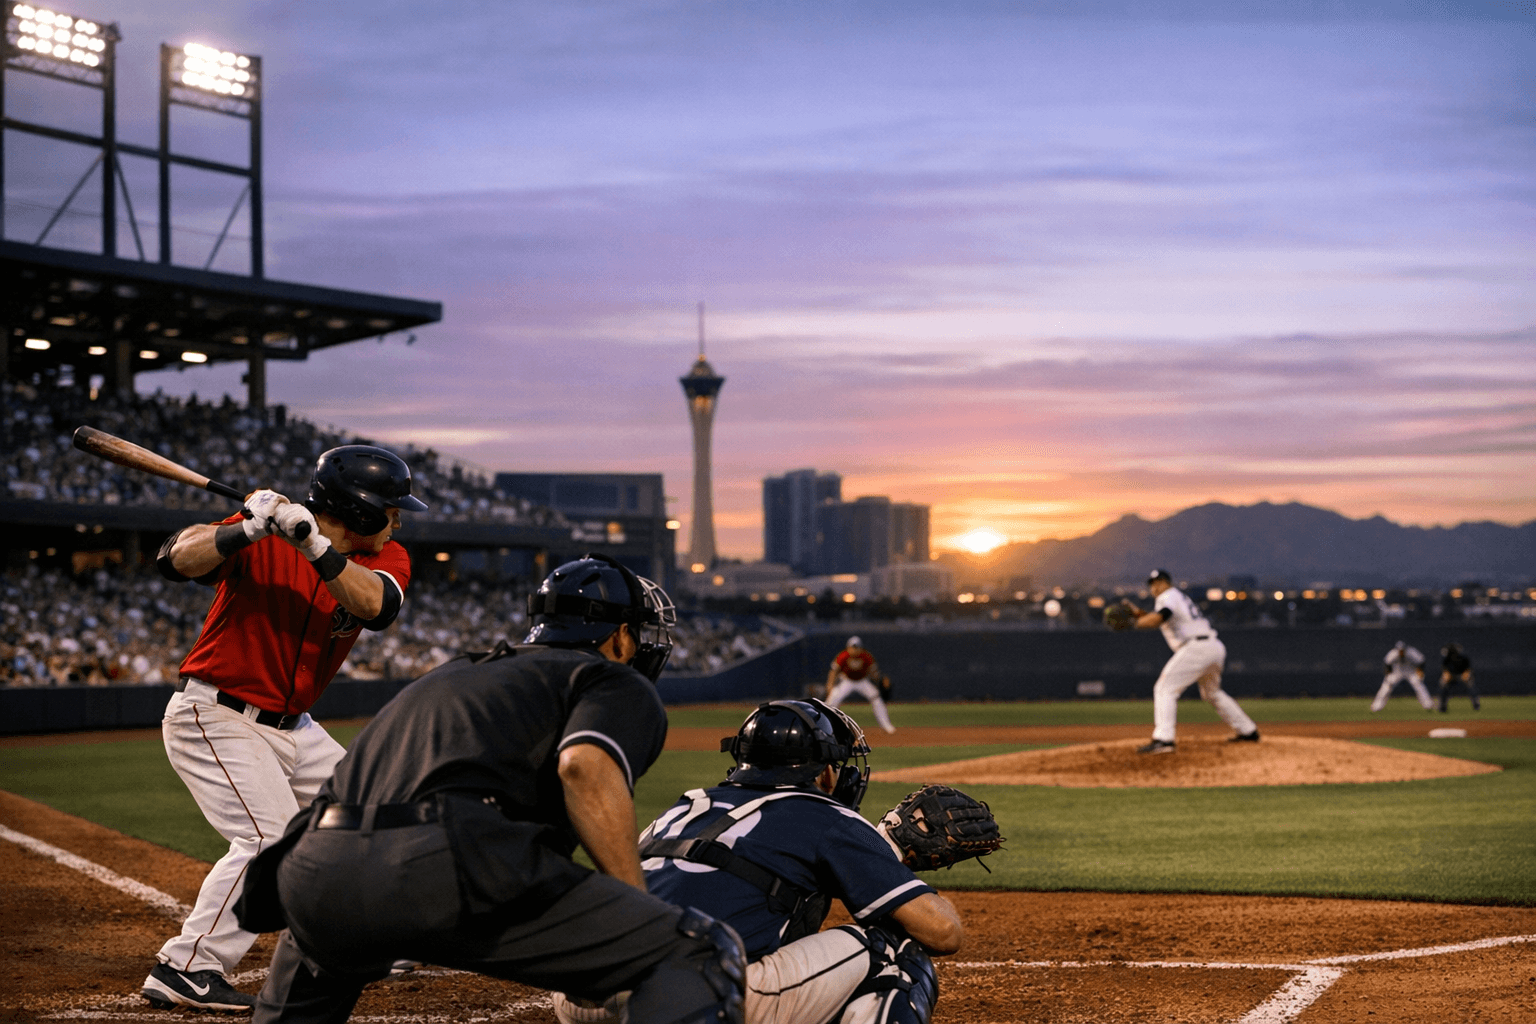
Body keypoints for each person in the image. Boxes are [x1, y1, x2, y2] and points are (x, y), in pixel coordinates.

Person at [236, 554, 746, 1024]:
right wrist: (634, 925)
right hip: (447, 865)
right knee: (697, 949)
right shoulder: (610, 677)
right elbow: (584, 769)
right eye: (638, 633)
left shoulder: (452, 673)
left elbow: (341, 787)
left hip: (316, 868)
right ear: (617, 637)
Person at [143, 445, 426, 1012]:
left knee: (374, 813)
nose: (398, 519)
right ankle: (186, 966)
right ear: (362, 511)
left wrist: (314, 545)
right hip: (218, 715)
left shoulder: (387, 557)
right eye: (391, 510)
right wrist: (245, 531)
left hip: (296, 728)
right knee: (267, 841)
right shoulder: (262, 532)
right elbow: (173, 559)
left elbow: (376, 606)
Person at [552, 698, 962, 1024]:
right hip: (695, 999)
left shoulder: (688, 804)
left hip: (584, 994)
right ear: (823, 773)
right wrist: (890, 861)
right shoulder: (828, 816)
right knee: (893, 952)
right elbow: (943, 932)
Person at [1123, 569, 1259, 754]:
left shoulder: (1167, 596)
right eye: (1152, 583)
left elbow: (1160, 617)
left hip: (1196, 649)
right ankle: (1248, 731)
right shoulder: (1177, 597)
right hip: (1213, 646)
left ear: (1166, 583)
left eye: (1158, 582)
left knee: (1165, 688)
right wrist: (1138, 614)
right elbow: (1161, 617)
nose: (1154, 587)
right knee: (1212, 693)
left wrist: (1133, 623)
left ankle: (1164, 739)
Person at [824, 637, 896, 734]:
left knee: (876, 697)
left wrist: (881, 679)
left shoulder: (866, 656)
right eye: (853, 647)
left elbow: (873, 672)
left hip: (862, 681)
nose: (855, 650)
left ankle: (886, 725)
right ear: (848, 648)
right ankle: (824, 725)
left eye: (857, 647)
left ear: (861, 648)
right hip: (847, 680)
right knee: (832, 699)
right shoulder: (843, 656)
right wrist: (830, 684)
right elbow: (834, 671)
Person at [1371, 641, 1433, 712]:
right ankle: (1376, 706)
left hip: (1410, 671)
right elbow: (1387, 664)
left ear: (1406, 649)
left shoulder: (1412, 652)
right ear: (1397, 649)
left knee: (1418, 684)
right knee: (1386, 686)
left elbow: (1421, 661)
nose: (1401, 652)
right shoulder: (1393, 653)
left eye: (1402, 650)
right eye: (1400, 650)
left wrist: (1420, 671)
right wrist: (1388, 675)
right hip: (1397, 672)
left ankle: (1428, 705)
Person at [1437, 641, 1480, 712]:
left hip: (1462, 674)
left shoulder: (1464, 658)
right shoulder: (1446, 659)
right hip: (1451, 676)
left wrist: (1465, 675)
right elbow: (1445, 671)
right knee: (1442, 683)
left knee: (1470, 684)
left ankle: (1476, 702)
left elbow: (1468, 671)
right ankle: (1442, 705)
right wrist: (1446, 676)